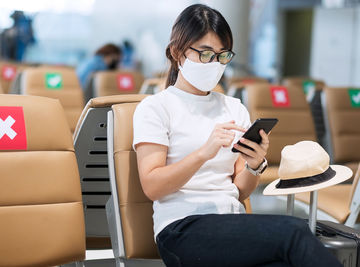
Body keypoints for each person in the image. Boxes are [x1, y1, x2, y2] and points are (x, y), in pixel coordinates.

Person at [133, 4, 342, 267]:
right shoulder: (155, 107)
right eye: (206, 54)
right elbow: (152, 186)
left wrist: (254, 166)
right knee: (294, 231)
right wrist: (203, 154)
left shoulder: (233, 108)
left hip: (231, 223)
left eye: (222, 56)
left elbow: (240, 191)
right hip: (181, 229)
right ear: (177, 52)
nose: (215, 64)